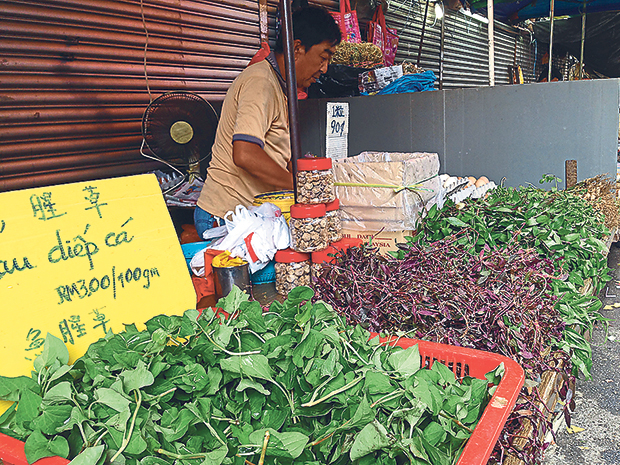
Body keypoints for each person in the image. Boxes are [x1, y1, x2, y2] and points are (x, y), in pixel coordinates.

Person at [194, 6, 341, 237]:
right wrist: (299, 188)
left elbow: (285, 157)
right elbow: (245, 153)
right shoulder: (260, 82)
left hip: (253, 215)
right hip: (226, 215)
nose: (325, 69)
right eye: (323, 58)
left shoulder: (284, 89)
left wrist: (313, 186)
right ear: (296, 48)